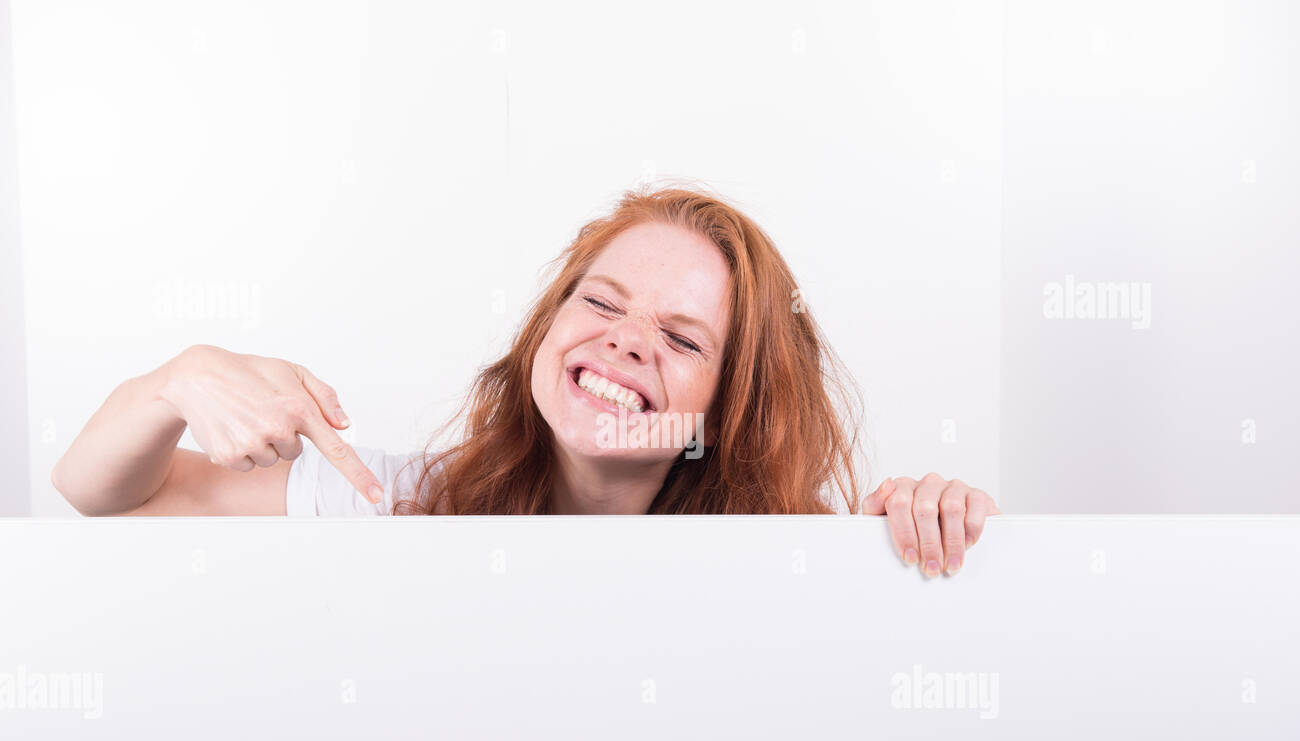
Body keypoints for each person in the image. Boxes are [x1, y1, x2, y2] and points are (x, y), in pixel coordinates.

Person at [51, 185, 999, 577]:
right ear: (546, 329)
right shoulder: (402, 503)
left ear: (731, 404)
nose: (625, 342)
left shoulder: (788, 562)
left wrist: (930, 519)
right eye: (601, 303)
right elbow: (97, 494)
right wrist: (174, 381)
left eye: (679, 335)